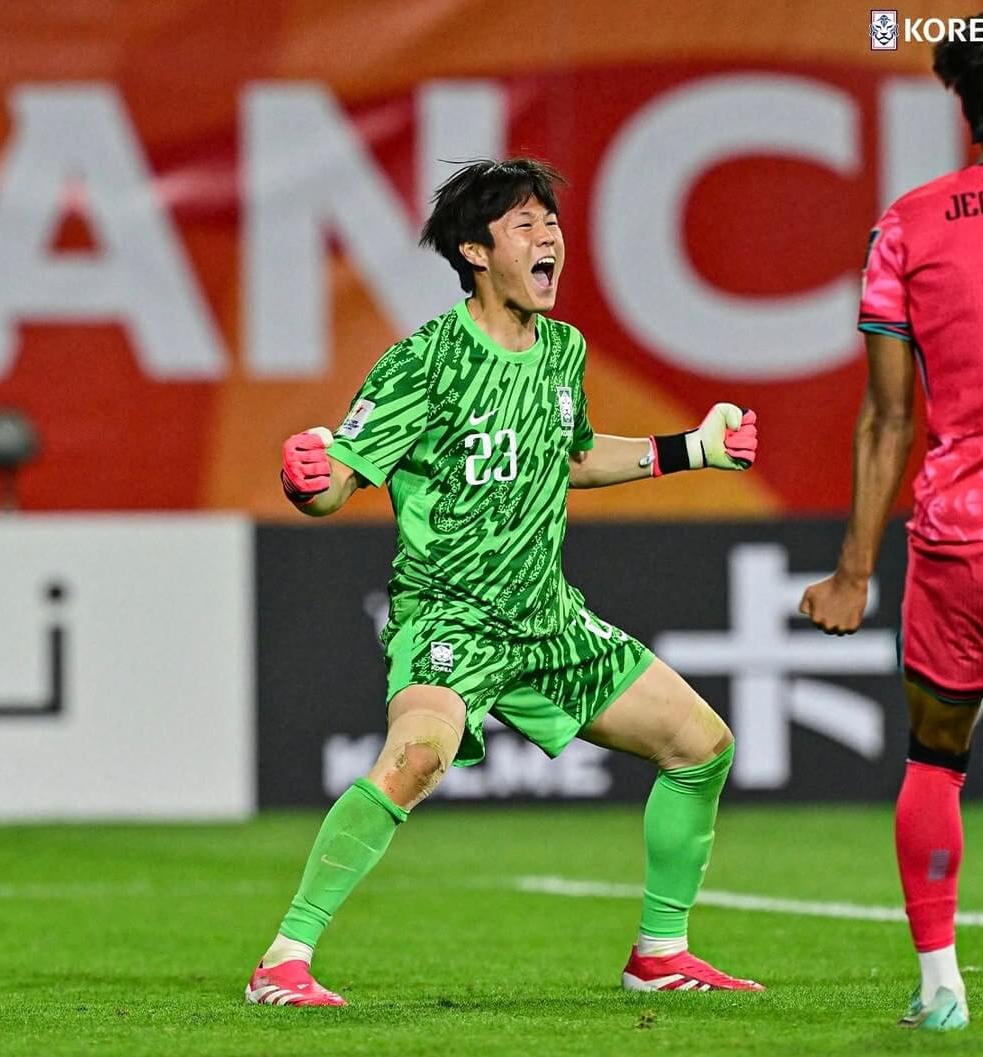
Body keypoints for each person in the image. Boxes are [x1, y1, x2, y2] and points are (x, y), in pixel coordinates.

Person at [248, 157, 762, 1007]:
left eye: (550, 223)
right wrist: (309, 482)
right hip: (450, 617)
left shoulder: (563, 349)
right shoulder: (426, 361)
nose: (548, 237)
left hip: (547, 621)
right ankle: (284, 958)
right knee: (417, 757)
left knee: (702, 747)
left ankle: (660, 954)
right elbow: (338, 477)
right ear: (475, 251)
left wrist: (692, 449)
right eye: (525, 224)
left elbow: (574, 456)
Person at [800, 3, 983, 1033]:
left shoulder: (909, 222)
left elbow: (888, 417)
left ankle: (941, 988)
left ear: (965, 106)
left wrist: (853, 570)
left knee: (937, 756)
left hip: (970, 526)